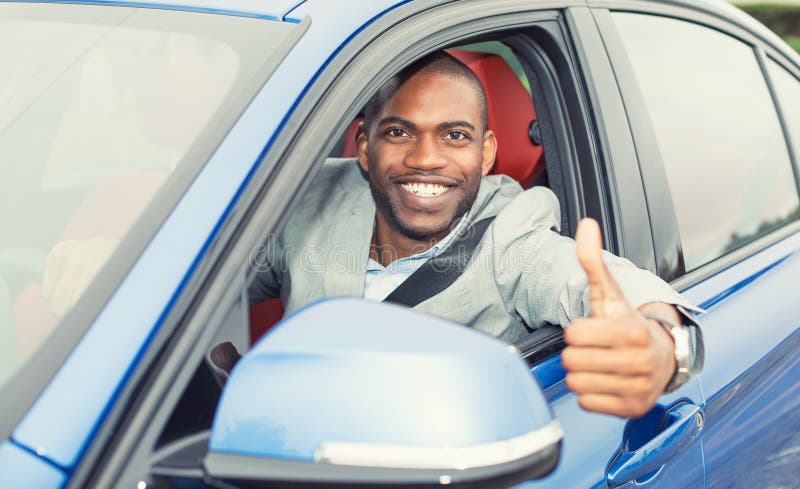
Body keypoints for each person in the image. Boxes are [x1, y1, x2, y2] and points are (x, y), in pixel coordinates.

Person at [247, 51, 703, 418]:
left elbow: (596, 280)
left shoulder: (514, 238)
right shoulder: (311, 198)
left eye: (455, 136)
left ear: (486, 154)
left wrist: (660, 344)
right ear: (366, 147)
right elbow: (214, 271)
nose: (425, 158)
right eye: (399, 131)